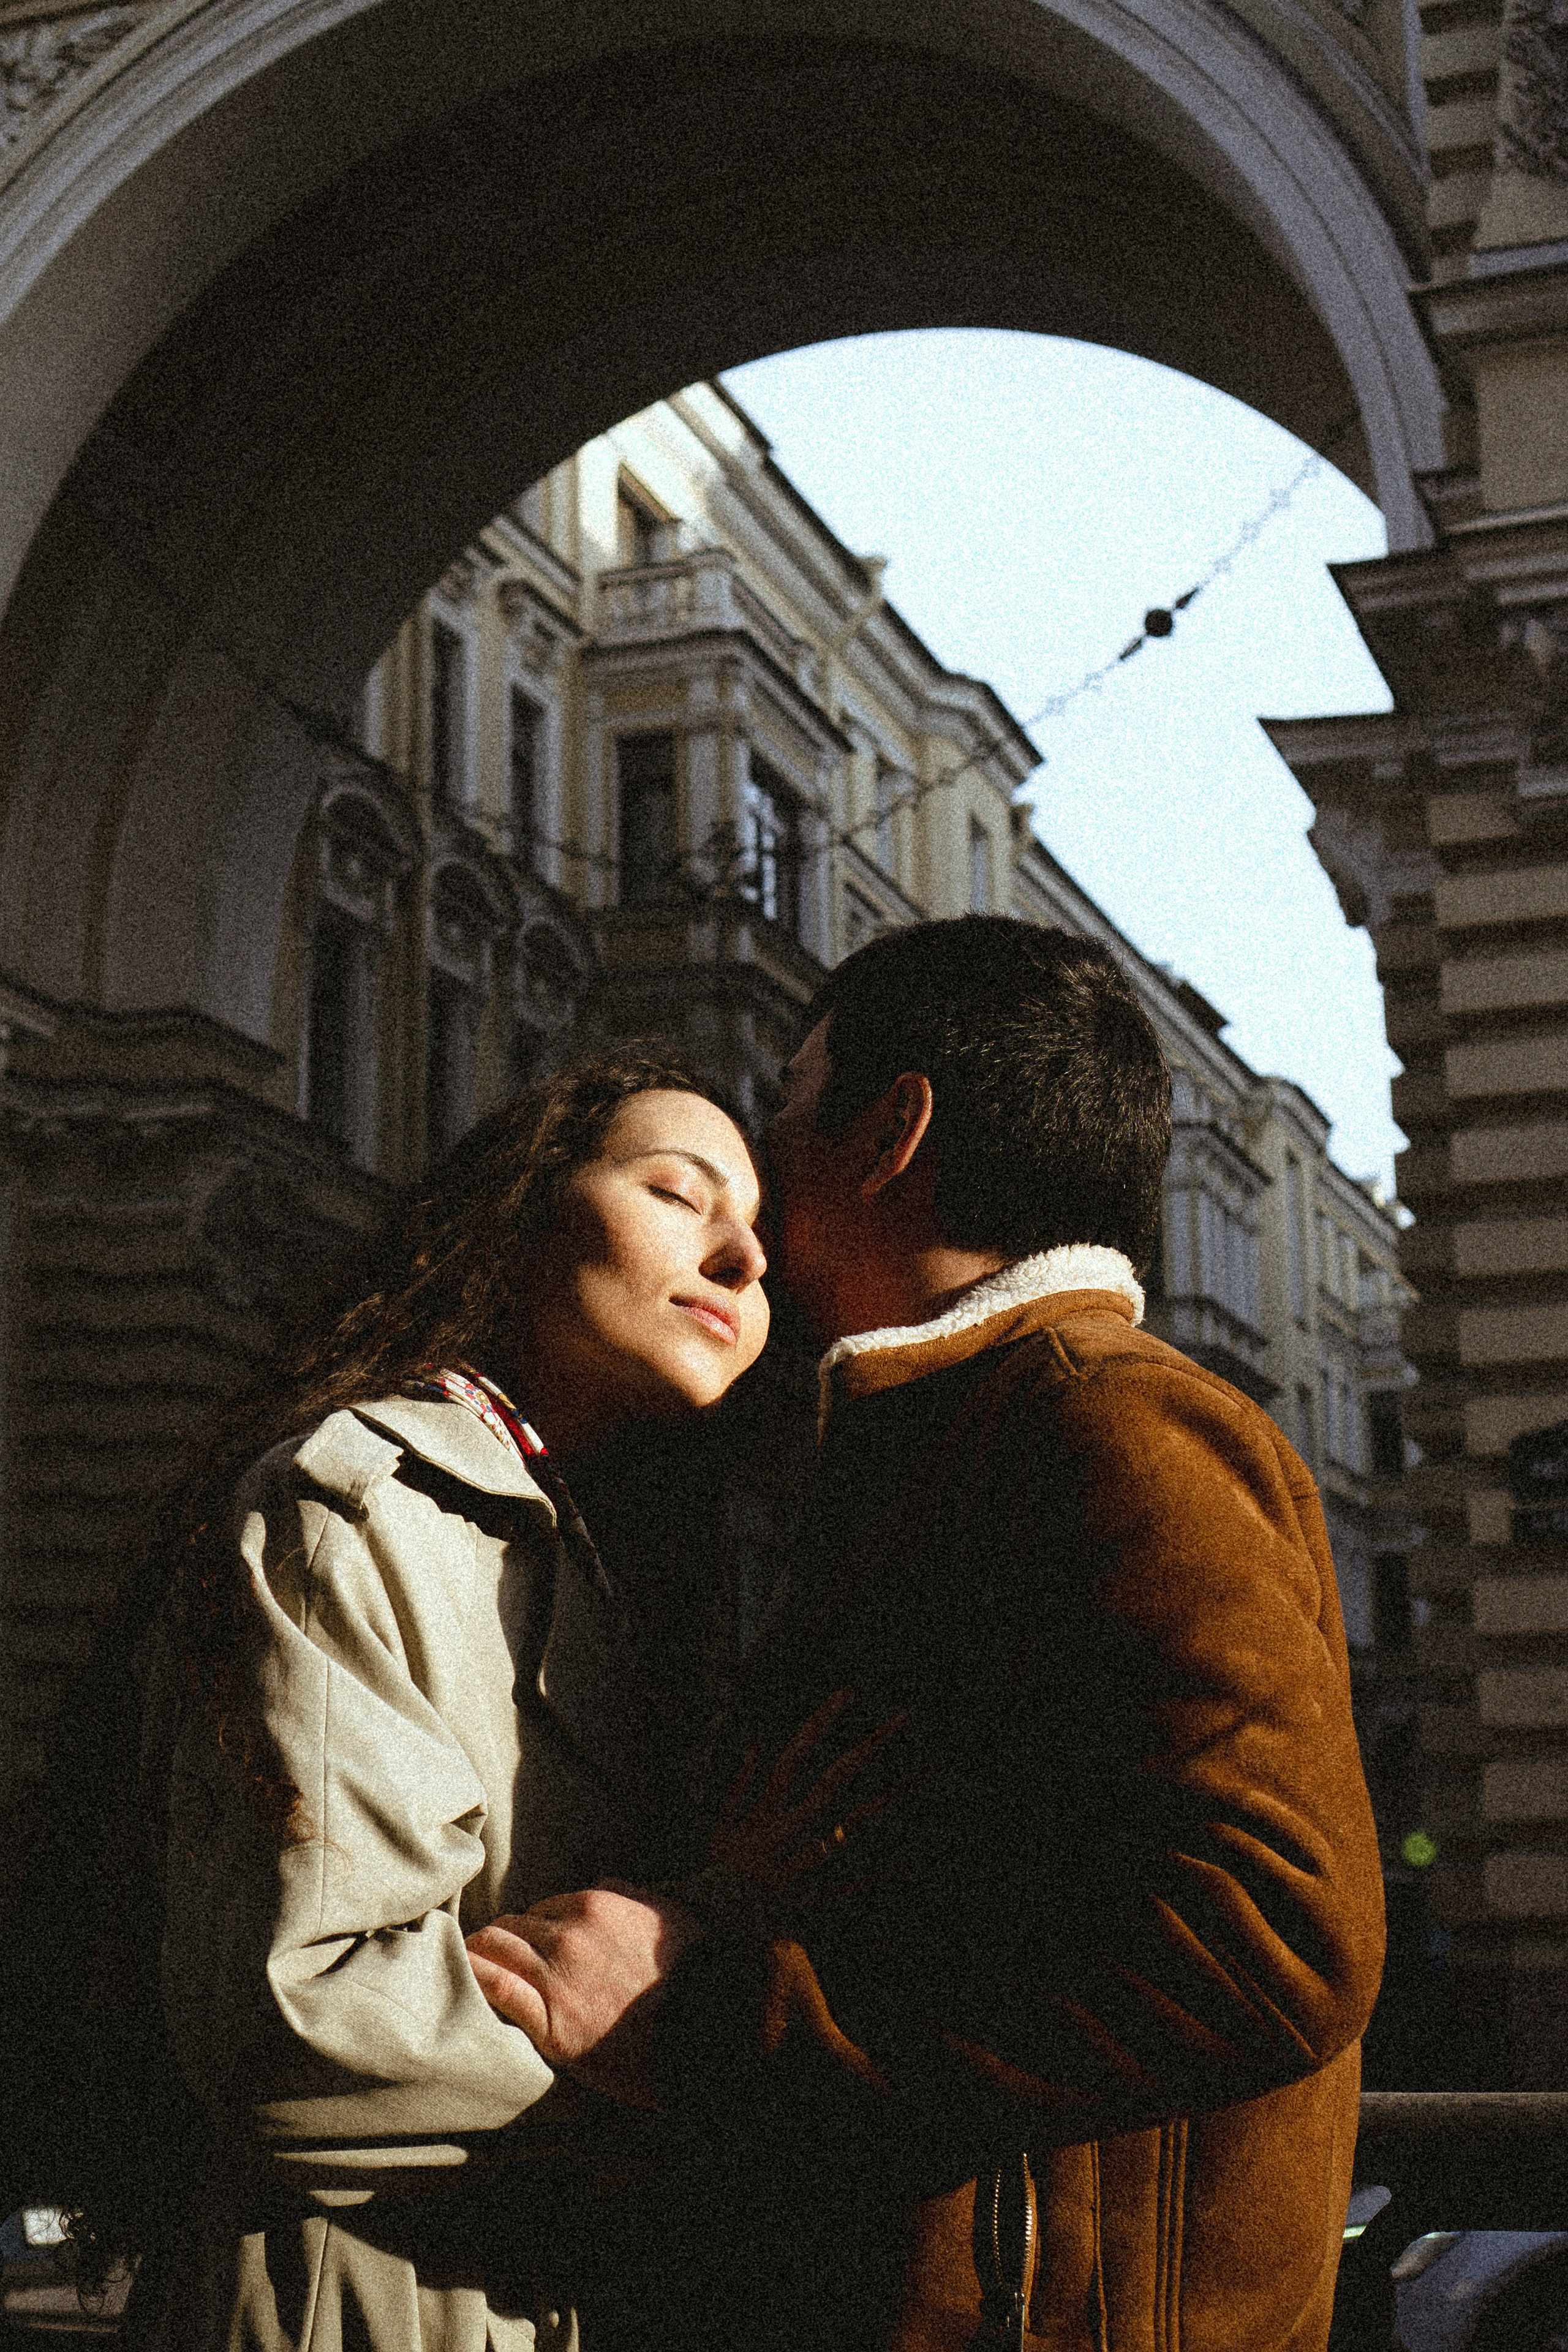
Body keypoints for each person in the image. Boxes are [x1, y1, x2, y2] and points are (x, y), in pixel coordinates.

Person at [471, 918, 1387, 2352]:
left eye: (787, 1104)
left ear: (890, 1131)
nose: (760, 1187)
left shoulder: (1100, 1420)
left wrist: (709, 2022)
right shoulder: (961, 1429)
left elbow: (1268, 1933)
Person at [115, 1051, 791, 2352]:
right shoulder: (351, 1504)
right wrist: (685, 2052)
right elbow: (295, 2014)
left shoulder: (628, 1559)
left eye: (757, 1232)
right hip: (361, 2302)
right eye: (676, 1192)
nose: (741, 1260)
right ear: (532, 1220)